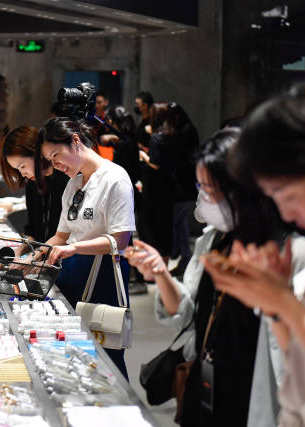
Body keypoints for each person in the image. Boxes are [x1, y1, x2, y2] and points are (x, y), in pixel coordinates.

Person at [202, 83, 305, 427]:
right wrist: (276, 309)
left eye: (287, 194)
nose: (286, 212)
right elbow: (301, 364)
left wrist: (284, 302)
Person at [126, 128, 305, 426]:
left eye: (211, 190)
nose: (204, 198)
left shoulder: (291, 253)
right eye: (201, 187)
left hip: (253, 397)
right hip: (208, 386)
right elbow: (187, 315)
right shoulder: (214, 240)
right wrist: (160, 273)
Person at [35, 117, 136, 378]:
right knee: (74, 356)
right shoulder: (73, 184)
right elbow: (61, 236)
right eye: (50, 160)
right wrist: (32, 257)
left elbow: (119, 240)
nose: (56, 165)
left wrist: (75, 248)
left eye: (56, 155)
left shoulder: (115, 178)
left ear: (75, 141)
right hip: (71, 275)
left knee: (106, 358)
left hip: (103, 276)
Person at [142, 101, 200, 276]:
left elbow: (155, 163)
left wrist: (144, 156)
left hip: (162, 189)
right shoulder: (175, 136)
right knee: (171, 228)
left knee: (159, 229)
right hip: (172, 187)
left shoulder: (158, 138)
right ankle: (170, 265)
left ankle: (161, 269)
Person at [0, 125, 69, 251]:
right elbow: (33, 232)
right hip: (44, 258)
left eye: (22, 166)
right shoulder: (32, 185)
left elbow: (67, 236)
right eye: (17, 169)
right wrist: (17, 254)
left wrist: (35, 256)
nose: (22, 174)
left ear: (36, 154)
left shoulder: (68, 178)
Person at [131, 90, 155, 294]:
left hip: (147, 180)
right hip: (142, 177)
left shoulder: (152, 124)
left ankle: (146, 273)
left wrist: (141, 151)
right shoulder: (143, 123)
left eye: (138, 103)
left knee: (145, 229)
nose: (136, 106)